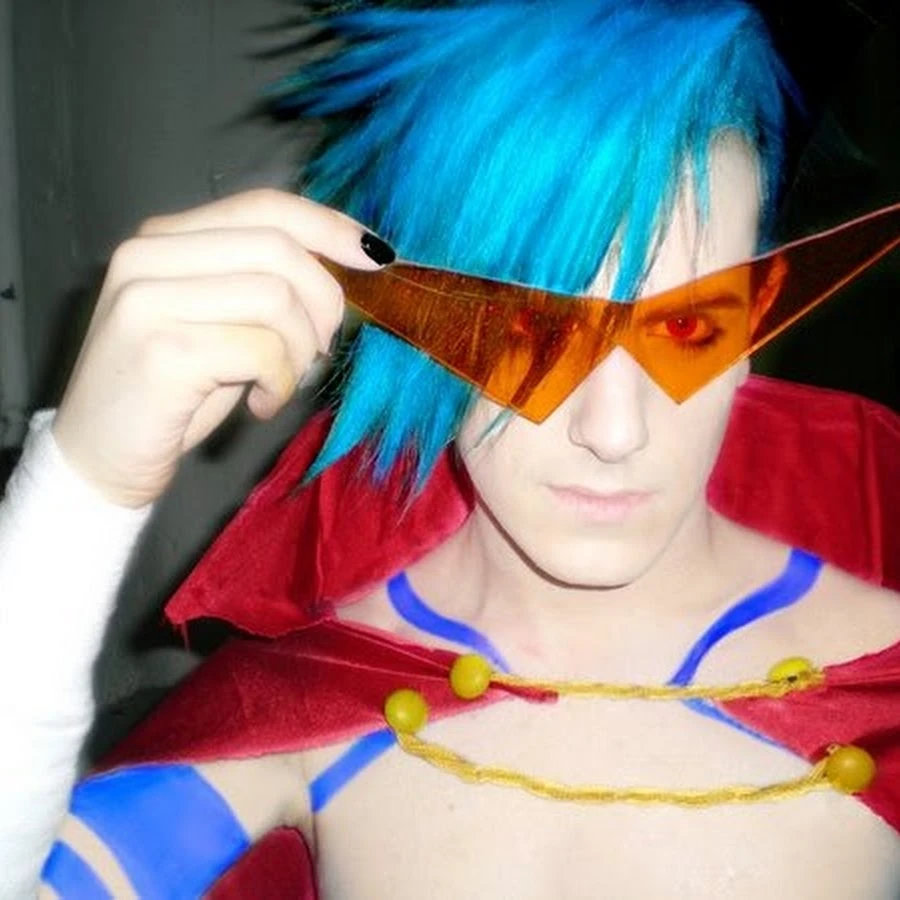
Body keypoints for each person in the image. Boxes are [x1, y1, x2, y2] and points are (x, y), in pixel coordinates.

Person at [1, 1, 898, 897]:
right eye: (525, 337)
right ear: (421, 337)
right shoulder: (324, 699)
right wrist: (80, 491)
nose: (614, 431)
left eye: (692, 328)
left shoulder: (880, 677)